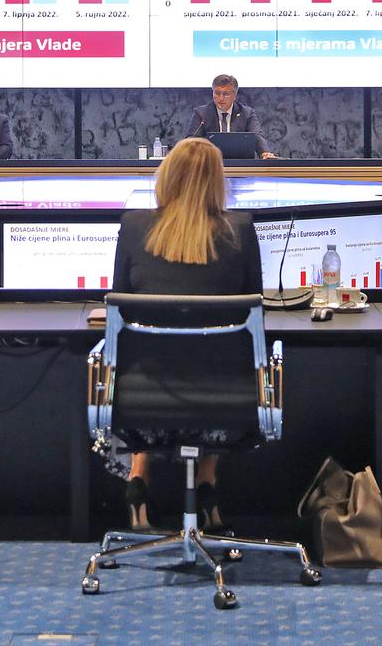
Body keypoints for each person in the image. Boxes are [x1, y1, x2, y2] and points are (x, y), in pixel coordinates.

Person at [110, 137, 262, 531]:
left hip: (145, 391)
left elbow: (120, 305)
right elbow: (253, 310)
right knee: (215, 362)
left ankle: (139, 475)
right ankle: (207, 482)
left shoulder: (134, 226)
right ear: (217, 182)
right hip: (226, 393)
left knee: (148, 361)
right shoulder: (240, 229)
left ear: (167, 176)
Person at [185, 74, 277, 158]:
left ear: (235, 95)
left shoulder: (246, 113)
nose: (220, 98)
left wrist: (264, 152)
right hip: (209, 163)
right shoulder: (201, 113)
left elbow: (256, 136)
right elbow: (192, 140)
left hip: (240, 165)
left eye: (226, 94)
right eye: (217, 93)